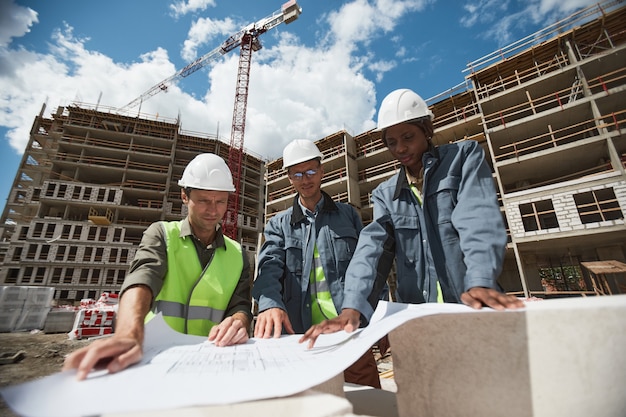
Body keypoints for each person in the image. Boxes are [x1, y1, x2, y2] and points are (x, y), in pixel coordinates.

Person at [301, 88, 525, 347]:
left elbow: (477, 219)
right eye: (392, 142)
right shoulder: (386, 194)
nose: (401, 148)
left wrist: (481, 280)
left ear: (427, 130)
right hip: (419, 320)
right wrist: (352, 307)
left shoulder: (463, 159)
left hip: (473, 306)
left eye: (408, 137)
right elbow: (371, 250)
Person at [64, 153, 253, 380]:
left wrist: (239, 321)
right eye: (203, 200)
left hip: (210, 360)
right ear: (184, 196)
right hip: (154, 360)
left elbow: (240, 305)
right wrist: (128, 333)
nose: (213, 210)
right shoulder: (162, 234)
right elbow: (142, 278)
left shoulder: (239, 255)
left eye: (220, 201)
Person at [253, 139, 382, 388]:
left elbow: (369, 268)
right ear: (290, 178)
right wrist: (268, 305)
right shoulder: (278, 225)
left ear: (322, 171)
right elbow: (268, 268)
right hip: (301, 338)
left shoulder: (348, 216)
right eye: (298, 174)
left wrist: (378, 317)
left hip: (348, 332)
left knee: (366, 401)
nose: (306, 179)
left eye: (311, 171)